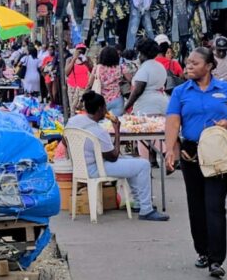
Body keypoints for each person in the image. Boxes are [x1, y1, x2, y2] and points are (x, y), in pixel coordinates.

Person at [164, 48, 227, 278]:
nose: (188, 66)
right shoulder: (180, 92)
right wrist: (170, 150)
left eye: (194, 63)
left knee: (215, 205)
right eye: (187, 62)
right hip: (191, 153)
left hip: (219, 154)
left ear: (209, 66)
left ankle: (216, 260)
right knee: (196, 206)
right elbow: (173, 121)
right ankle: (203, 251)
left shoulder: (226, 89)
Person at [65, 91, 169, 221]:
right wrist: (117, 131)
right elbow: (113, 156)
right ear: (100, 109)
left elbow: (65, 140)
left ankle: (138, 202)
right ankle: (146, 209)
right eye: (104, 107)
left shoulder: (73, 121)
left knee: (131, 161)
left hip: (81, 167)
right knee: (144, 165)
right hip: (96, 168)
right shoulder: (98, 132)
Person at [125, 38, 168, 116]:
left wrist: (126, 107)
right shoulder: (160, 67)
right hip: (163, 104)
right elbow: (164, 85)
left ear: (142, 54)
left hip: (146, 107)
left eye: (139, 53)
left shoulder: (144, 69)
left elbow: (137, 91)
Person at [87, 46, 129, 116]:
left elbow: (89, 84)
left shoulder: (97, 68)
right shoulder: (121, 67)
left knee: (102, 123)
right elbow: (130, 79)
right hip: (117, 100)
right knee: (116, 122)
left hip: (101, 101)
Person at [65, 43, 92, 111]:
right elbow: (66, 72)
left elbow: (92, 71)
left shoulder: (87, 59)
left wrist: (86, 62)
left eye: (83, 50)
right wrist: (74, 59)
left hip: (84, 89)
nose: (81, 52)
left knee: (84, 109)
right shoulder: (69, 59)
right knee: (73, 109)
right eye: (79, 51)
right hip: (73, 88)